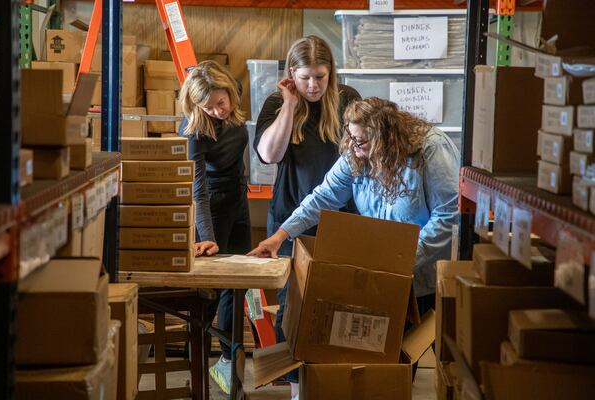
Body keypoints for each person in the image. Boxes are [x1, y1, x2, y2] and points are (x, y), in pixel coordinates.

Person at [249, 96, 460, 335]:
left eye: (360, 141)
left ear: (385, 139)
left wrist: (400, 262)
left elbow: (448, 216)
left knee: (416, 353)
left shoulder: (430, 148)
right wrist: (279, 236)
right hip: (381, 273)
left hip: (422, 274)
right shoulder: (356, 153)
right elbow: (323, 196)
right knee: (381, 356)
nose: (352, 147)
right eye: (350, 137)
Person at [253, 35, 360, 397]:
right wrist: (289, 105)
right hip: (290, 220)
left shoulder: (347, 100)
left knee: (336, 307)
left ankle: (330, 385)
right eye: (305, 78)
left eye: (320, 77)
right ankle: (300, 392)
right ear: (291, 75)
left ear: (331, 74)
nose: (313, 85)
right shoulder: (275, 102)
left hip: (340, 219)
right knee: (292, 311)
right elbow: (269, 155)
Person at [178, 60, 250, 395]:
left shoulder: (232, 94)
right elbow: (198, 191)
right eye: (209, 107)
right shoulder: (194, 130)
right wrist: (207, 238)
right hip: (214, 205)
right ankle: (218, 356)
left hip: (239, 198)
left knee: (241, 282)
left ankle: (230, 360)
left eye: (222, 103)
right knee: (219, 286)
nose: (218, 111)